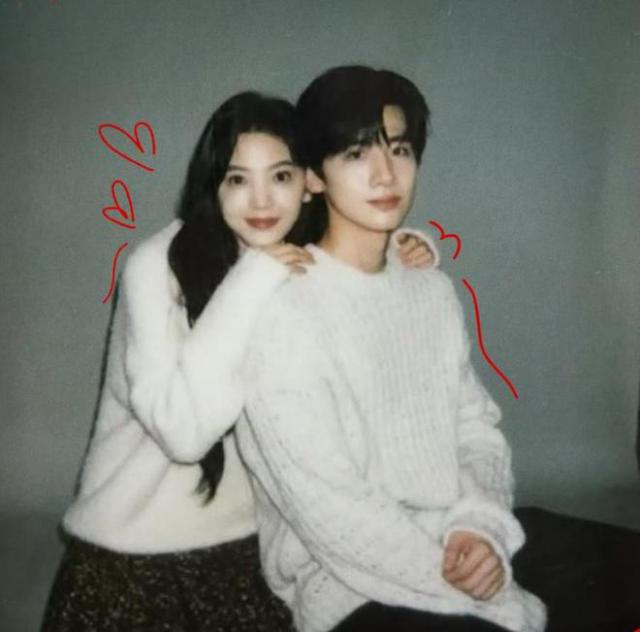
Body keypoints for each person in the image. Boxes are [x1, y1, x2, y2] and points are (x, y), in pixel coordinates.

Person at [235, 65, 640, 632]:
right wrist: (491, 595)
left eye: (399, 150)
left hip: (457, 535)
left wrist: (480, 530)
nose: (385, 174)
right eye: (356, 153)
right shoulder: (282, 310)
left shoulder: (429, 289)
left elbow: (475, 430)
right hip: (350, 581)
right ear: (314, 177)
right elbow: (331, 511)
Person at [41, 91, 438, 631]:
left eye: (280, 176)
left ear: (309, 182)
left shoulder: (301, 257)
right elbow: (184, 434)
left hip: (250, 546)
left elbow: (362, 297)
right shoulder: (156, 267)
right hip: (133, 549)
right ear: (213, 185)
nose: (261, 201)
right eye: (237, 179)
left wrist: (399, 252)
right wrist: (253, 278)